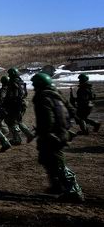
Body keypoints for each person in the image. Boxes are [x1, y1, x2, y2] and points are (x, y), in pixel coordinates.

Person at [31, 73, 84, 202]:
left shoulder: (43, 97)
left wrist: (47, 132)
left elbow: (47, 118)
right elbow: (71, 111)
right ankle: (57, 186)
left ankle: (74, 191)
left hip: (52, 136)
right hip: (59, 133)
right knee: (46, 159)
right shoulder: (56, 94)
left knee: (57, 163)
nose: (33, 86)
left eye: (35, 84)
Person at [4, 67, 35, 145]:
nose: (9, 75)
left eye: (9, 74)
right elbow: (25, 94)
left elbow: (10, 96)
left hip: (15, 105)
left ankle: (17, 139)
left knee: (11, 121)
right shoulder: (21, 82)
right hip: (22, 104)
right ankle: (29, 134)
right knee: (18, 120)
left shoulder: (13, 83)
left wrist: (6, 104)